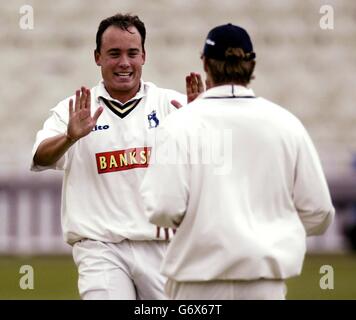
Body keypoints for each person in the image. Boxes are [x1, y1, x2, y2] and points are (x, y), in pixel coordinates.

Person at [140, 23, 335, 300]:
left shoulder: (180, 124)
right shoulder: (286, 124)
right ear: (251, 64)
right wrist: (273, 230)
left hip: (198, 284)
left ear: (205, 63)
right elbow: (319, 211)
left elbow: (163, 207)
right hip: (264, 282)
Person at [31, 13, 186, 300]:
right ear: (97, 57)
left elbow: (214, 162)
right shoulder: (75, 108)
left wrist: (205, 124)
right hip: (100, 247)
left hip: (161, 246)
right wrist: (69, 138)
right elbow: (39, 158)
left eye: (132, 53)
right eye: (114, 53)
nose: (124, 63)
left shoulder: (172, 105)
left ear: (144, 56)